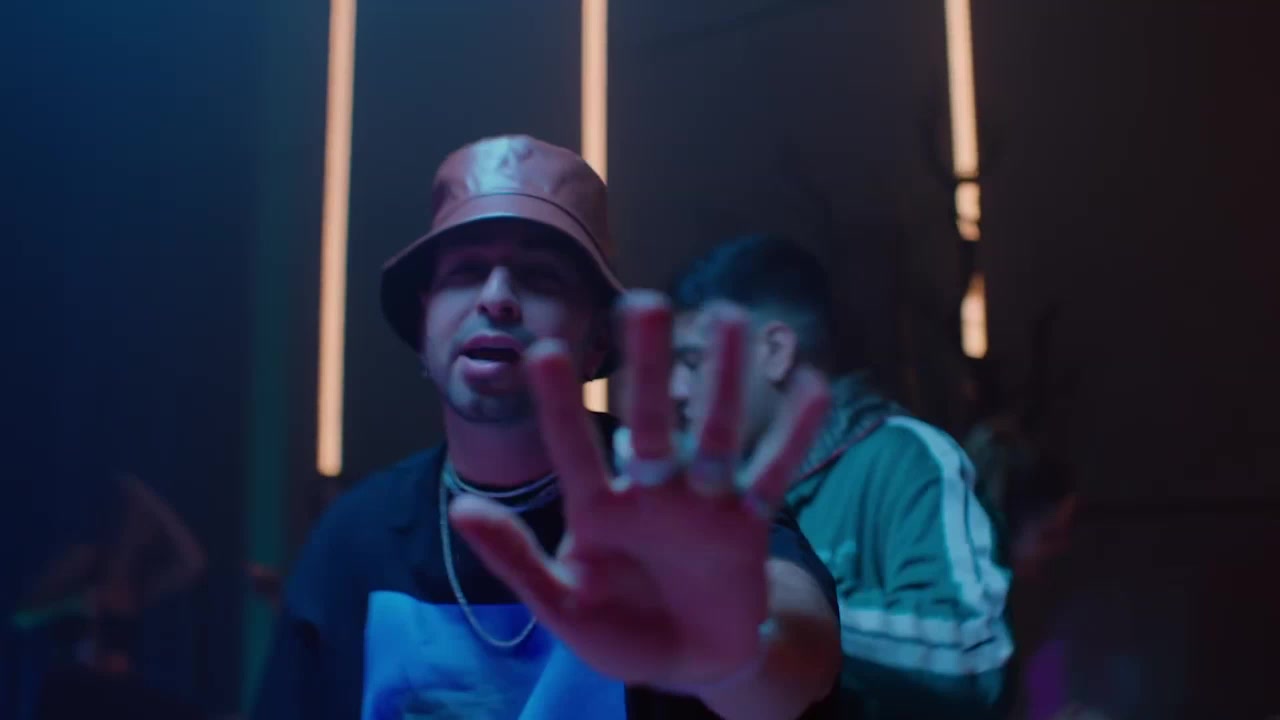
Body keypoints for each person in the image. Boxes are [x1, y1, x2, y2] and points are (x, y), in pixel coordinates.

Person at [251, 135, 843, 720]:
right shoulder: (354, 539)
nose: (496, 298)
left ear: (597, 341)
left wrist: (737, 662)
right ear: (424, 327)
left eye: (539, 277)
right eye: (465, 272)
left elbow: (801, 654)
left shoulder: (673, 502)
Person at [668, 234, 1013, 719]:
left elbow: (975, 654)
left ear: (775, 351)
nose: (677, 389)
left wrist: (794, 617)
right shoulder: (718, 494)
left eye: (692, 361)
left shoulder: (906, 458)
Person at [12, 472, 208, 719]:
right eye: (138, 521)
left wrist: (153, 503)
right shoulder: (86, 561)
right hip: (74, 691)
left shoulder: (138, 582)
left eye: (148, 525)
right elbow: (22, 617)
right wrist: (72, 603)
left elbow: (194, 563)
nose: (143, 531)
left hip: (116, 692)